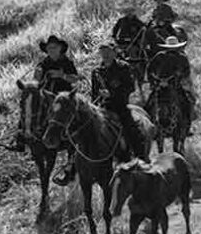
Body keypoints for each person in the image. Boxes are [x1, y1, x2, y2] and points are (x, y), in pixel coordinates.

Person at [55, 42, 146, 186]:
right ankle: (71, 167)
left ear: (114, 52)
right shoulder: (97, 71)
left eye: (108, 51)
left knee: (131, 129)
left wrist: (112, 93)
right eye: (103, 52)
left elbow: (130, 87)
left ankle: (141, 161)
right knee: (80, 131)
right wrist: (95, 105)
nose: (106, 55)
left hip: (120, 106)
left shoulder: (123, 67)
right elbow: (94, 93)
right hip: (101, 108)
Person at [146, 36, 197, 123]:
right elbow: (150, 69)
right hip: (160, 84)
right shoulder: (160, 56)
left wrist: (179, 78)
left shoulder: (181, 57)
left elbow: (186, 71)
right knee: (149, 104)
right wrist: (153, 81)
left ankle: (186, 123)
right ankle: (149, 123)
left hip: (175, 85)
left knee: (187, 101)